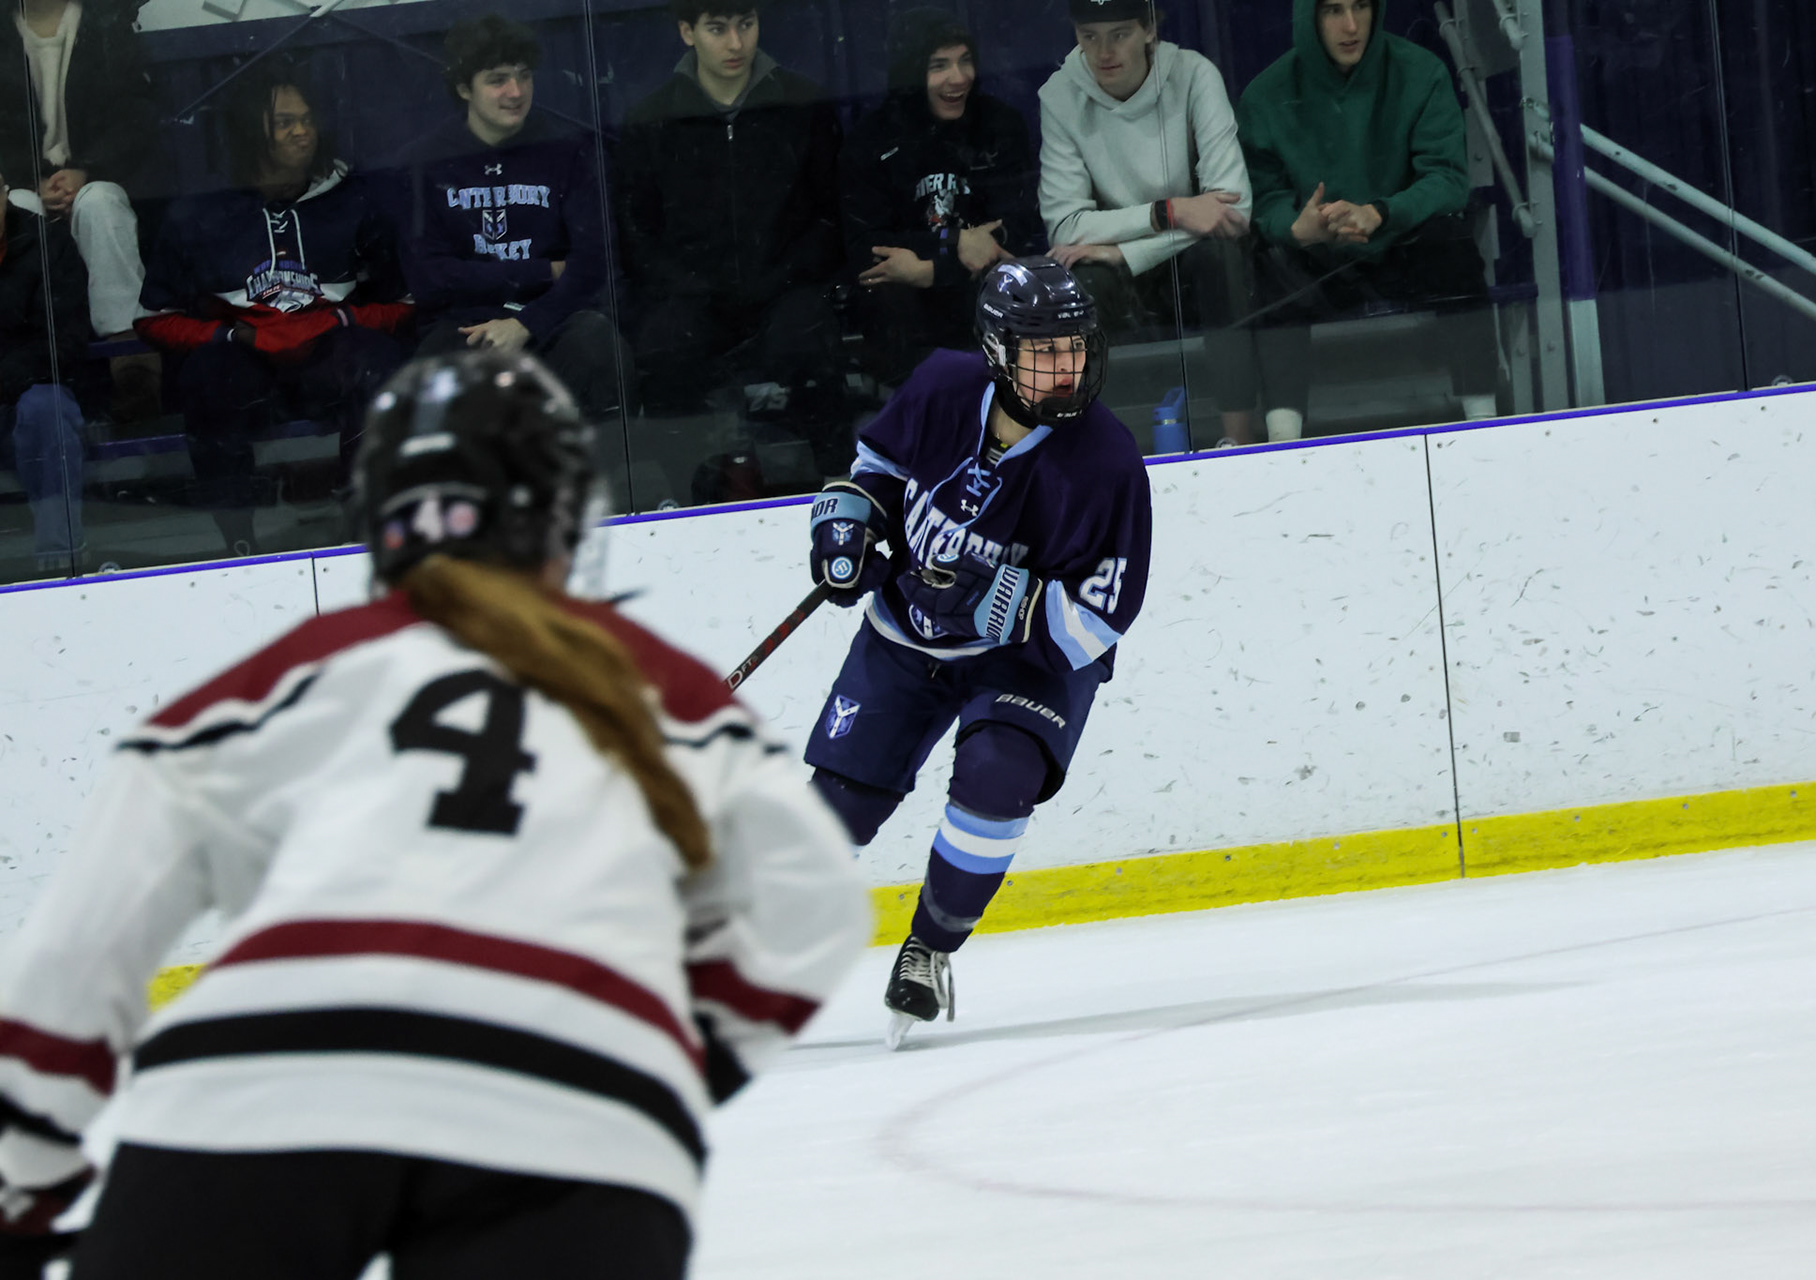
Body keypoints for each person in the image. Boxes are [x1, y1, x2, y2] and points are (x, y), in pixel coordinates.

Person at [0, 348, 869, 1279]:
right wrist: (666, 1061)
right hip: (577, 1106)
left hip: (262, 1080)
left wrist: (23, 1184)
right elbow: (813, 904)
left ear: (383, 513)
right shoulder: (659, 686)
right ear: (562, 514)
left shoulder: (287, 677)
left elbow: (78, 954)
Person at [801, 256, 1151, 1048]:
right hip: (907, 634)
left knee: (997, 777)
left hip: (1028, 660)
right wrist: (847, 526)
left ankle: (929, 948)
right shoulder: (942, 385)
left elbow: (1102, 616)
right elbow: (877, 468)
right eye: (1044, 351)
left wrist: (1005, 603)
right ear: (997, 350)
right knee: (838, 809)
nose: (1066, 368)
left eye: (1074, 348)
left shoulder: (1106, 461)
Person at [135, 64, 411, 556]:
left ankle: (363, 520)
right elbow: (153, 319)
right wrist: (229, 336)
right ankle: (239, 538)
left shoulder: (354, 200)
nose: (302, 131)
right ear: (250, 132)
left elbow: (402, 305)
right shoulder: (201, 213)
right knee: (207, 375)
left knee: (381, 365)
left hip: (330, 355)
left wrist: (339, 319)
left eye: (306, 119)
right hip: (246, 362)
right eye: (284, 122)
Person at [1236, 0, 1492, 437]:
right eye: (1334, 10)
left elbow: (1447, 178)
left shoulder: (1421, 72)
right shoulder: (1266, 94)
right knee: (1269, 263)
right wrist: (1296, 227)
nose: (1351, 25)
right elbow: (1262, 197)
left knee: (1454, 248)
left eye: (1361, 6)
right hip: (1318, 256)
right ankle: (1283, 441)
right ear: (1310, 17)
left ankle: (1485, 425)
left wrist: (1381, 213)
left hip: (1401, 242)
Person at [613, 0, 847, 471]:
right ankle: (686, 493)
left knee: (808, 339)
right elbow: (637, 234)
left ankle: (836, 479)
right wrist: (692, 287)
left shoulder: (803, 104)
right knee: (664, 348)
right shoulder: (651, 119)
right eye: (718, 29)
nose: (736, 43)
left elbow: (833, 215)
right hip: (693, 298)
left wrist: (787, 277)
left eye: (746, 24)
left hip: (785, 289)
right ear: (687, 32)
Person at [1038, 0, 1261, 446]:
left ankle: (1238, 443)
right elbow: (1065, 228)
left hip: (1182, 255)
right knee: (1080, 280)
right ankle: (1104, 448)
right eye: (1089, 37)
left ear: (1149, 29)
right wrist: (1168, 212)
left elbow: (1234, 213)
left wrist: (1124, 252)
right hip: (1132, 263)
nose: (1104, 52)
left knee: (1221, 259)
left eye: (1119, 34)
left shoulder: (1195, 75)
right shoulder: (1059, 95)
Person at [393, 15, 626, 418]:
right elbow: (430, 278)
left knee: (598, 344)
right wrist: (543, 270)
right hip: (464, 329)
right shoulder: (423, 163)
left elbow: (595, 262)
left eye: (524, 76)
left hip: (555, 320)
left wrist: (528, 323)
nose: (516, 92)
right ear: (464, 88)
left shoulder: (568, 151)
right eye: (498, 80)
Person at [840, 8, 1044, 388]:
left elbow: (1014, 227)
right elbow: (866, 244)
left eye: (965, 60)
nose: (959, 77)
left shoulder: (999, 125)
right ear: (912, 72)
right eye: (939, 66)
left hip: (974, 286)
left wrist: (930, 271)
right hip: (908, 305)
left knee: (1007, 286)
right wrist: (955, 242)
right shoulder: (872, 140)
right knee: (885, 297)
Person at [1, 0, 154, 347]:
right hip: (23, 182)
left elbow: (133, 114)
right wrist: (33, 179)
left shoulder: (106, 25)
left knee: (101, 204)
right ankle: (28, 345)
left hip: (94, 175)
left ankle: (126, 342)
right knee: (17, 209)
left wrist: (88, 168)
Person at [0, 161, 89, 576]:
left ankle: (59, 559)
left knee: (47, 411)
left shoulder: (47, 243)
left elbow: (65, 339)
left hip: (27, 388)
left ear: (4, 194)